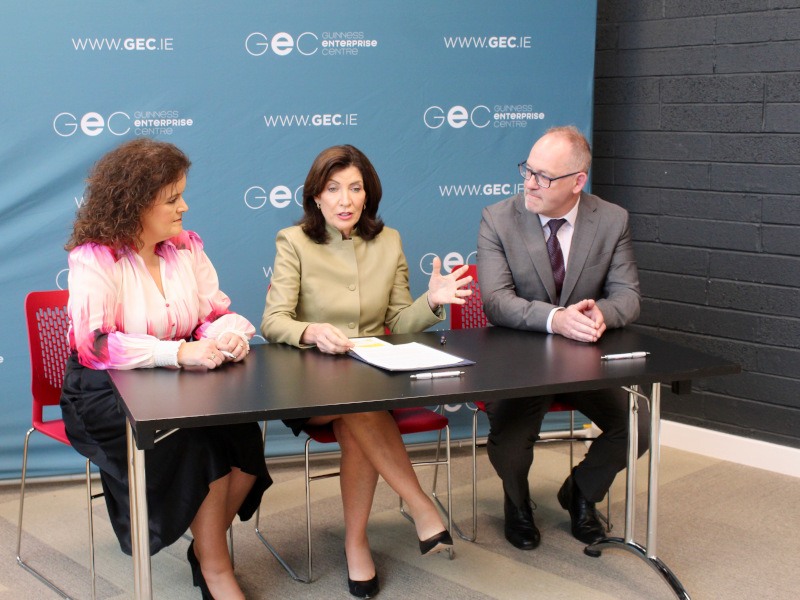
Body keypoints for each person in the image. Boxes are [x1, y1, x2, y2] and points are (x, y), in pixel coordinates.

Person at [60, 138, 271, 600]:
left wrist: (226, 335)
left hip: (173, 382)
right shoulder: (94, 257)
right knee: (199, 447)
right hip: (101, 390)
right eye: (173, 198)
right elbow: (93, 344)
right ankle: (216, 566)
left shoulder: (185, 249)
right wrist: (175, 354)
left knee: (245, 437)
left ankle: (204, 546)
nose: (185, 207)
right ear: (135, 203)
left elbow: (213, 313)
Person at [262, 144, 472, 598]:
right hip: (309, 382)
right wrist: (314, 331)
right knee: (354, 408)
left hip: (370, 378)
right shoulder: (293, 241)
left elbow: (401, 320)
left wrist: (431, 302)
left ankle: (357, 542)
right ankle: (421, 507)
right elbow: (273, 320)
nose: (344, 199)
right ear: (315, 196)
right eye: (333, 188)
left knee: (356, 413)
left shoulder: (388, 240)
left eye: (354, 188)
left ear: (367, 194)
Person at [476, 125, 649, 551]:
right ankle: (517, 504)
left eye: (544, 176)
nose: (530, 183)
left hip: (585, 357)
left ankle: (581, 494)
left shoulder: (611, 219)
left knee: (637, 426)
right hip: (520, 358)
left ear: (578, 182)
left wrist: (598, 315)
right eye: (528, 170)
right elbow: (496, 302)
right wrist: (557, 319)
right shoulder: (498, 218)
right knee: (512, 445)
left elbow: (628, 297)